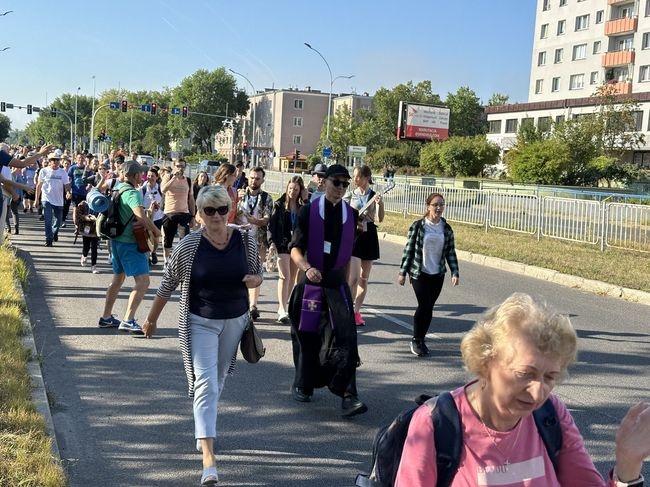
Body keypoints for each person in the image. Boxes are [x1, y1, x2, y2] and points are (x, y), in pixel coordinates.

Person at [395, 292, 650, 486]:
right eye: (525, 374)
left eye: (550, 376)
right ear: (485, 362)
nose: (538, 393)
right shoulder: (436, 423)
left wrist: (627, 464)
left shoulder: (551, 415)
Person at [141, 185, 263, 487]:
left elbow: (259, 272)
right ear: (200, 213)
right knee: (205, 382)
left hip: (234, 320)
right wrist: (151, 319)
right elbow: (168, 285)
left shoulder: (245, 238)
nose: (218, 216)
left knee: (218, 378)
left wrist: (255, 279)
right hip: (201, 321)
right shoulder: (189, 245)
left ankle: (203, 425)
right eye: (210, 210)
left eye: (222, 209)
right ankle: (209, 458)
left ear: (229, 209)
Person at [288, 164, 368, 417]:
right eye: (337, 183)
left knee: (346, 337)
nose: (341, 188)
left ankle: (348, 394)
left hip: (336, 286)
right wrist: (307, 267)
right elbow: (295, 249)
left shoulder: (352, 215)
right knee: (307, 336)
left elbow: (346, 253)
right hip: (311, 282)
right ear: (325, 183)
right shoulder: (307, 212)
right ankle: (304, 382)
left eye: (346, 184)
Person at [97, 160, 161, 333]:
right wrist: (155, 231)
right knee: (143, 281)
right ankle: (128, 319)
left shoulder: (118, 190)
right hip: (130, 243)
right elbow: (140, 216)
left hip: (117, 241)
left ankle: (106, 317)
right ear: (134, 175)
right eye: (140, 173)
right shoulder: (133, 193)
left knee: (117, 279)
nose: (143, 176)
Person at [398, 192, 459, 357]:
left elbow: (450, 252)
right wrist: (403, 272)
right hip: (420, 272)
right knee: (424, 306)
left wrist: (455, 271)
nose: (438, 208)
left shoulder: (446, 228)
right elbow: (408, 250)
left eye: (441, 205)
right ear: (428, 206)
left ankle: (421, 339)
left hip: (437, 274)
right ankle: (416, 339)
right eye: (435, 205)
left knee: (429, 308)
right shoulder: (418, 226)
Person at [347, 165, 384, 326]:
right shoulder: (350, 195)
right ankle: (347, 310)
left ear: (367, 178)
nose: (355, 180)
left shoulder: (374, 196)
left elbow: (380, 218)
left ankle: (356, 312)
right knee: (353, 278)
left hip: (369, 236)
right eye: (354, 176)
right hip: (354, 237)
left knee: (363, 278)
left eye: (358, 177)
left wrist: (380, 204)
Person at [269, 175, 306, 324]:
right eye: (290, 188)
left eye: (296, 189)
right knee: (285, 275)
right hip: (282, 243)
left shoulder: (303, 207)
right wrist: (272, 242)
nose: (292, 191)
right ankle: (281, 309)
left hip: (296, 245)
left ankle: (286, 304)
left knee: (292, 276)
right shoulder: (279, 204)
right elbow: (271, 225)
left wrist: (306, 199)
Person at [237, 166, 272, 320]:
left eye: (257, 178)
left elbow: (266, 219)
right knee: (240, 272)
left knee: (256, 272)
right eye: (252, 177)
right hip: (238, 238)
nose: (254, 181)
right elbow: (230, 213)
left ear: (262, 180)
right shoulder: (239, 194)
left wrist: (253, 221)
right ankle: (241, 303)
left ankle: (253, 305)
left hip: (258, 240)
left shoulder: (266, 198)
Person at [160, 158, 195, 263]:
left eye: (183, 166)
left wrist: (193, 216)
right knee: (168, 241)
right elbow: (163, 189)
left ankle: (180, 261)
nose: (180, 168)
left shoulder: (188, 180)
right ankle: (167, 260)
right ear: (174, 166)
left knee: (185, 240)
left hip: (184, 213)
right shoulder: (168, 176)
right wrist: (174, 178)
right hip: (170, 213)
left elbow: (191, 199)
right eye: (178, 166)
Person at [35, 151, 72, 247]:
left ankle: (54, 232)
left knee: (58, 221)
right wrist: (36, 199)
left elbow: (67, 184)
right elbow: (39, 185)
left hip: (58, 200)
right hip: (46, 198)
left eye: (57, 160)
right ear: (49, 161)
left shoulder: (62, 172)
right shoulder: (44, 171)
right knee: (48, 219)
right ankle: (48, 239)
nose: (55, 162)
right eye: (53, 160)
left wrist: (68, 192)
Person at [141, 168, 164, 265]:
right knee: (147, 237)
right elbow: (139, 204)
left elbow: (164, 201)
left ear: (157, 177)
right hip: (146, 217)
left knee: (156, 237)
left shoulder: (160, 188)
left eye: (152, 176)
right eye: (148, 176)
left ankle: (154, 252)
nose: (150, 178)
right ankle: (147, 257)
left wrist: (159, 206)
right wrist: (148, 209)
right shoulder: (142, 189)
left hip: (158, 217)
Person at [73, 199, 100, 274]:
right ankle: (84, 255)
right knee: (86, 246)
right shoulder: (83, 204)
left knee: (94, 248)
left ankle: (93, 266)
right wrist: (86, 217)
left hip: (95, 229)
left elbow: (104, 215)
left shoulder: (101, 203)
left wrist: (97, 219)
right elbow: (78, 215)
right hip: (86, 229)